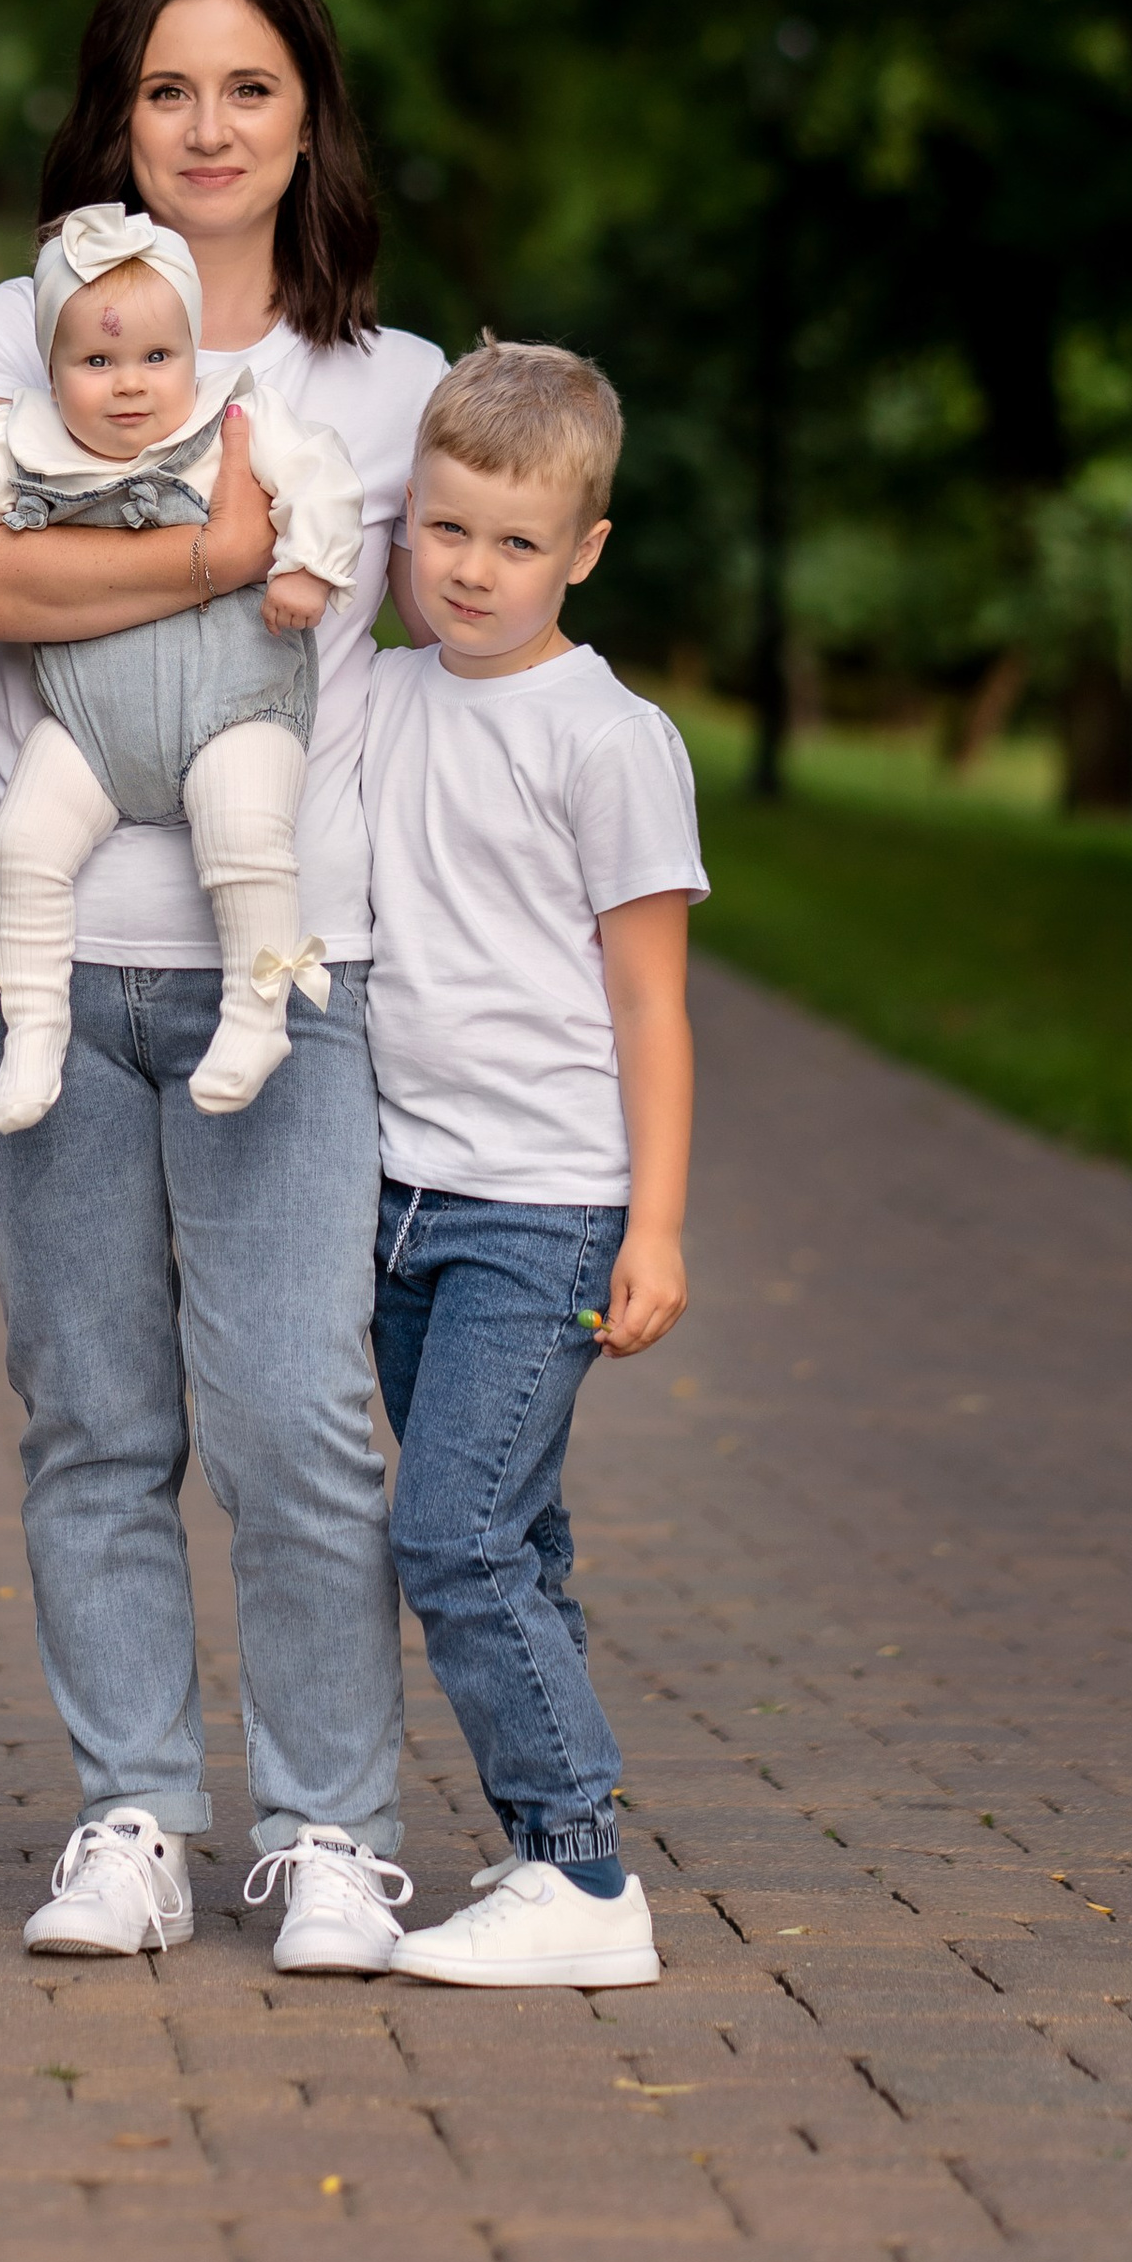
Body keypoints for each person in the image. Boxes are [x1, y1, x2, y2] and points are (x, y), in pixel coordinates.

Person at [0, 0, 444, 1975]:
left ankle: (325, 1831)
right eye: (164, 90)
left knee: (299, 1412)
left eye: (246, 88)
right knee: (96, 1423)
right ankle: (129, 1813)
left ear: (305, 111)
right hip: (21, 952)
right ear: (108, 117)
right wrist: (221, 554)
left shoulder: (381, 386)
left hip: (280, 969)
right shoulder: (9, 322)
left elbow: (467, 640)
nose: (205, 129)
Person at [360, 337, 705, 1990]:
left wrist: (655, 1229)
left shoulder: (608, 737)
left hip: (544, 1210)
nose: (474, 571)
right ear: (403, 526)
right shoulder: (379, 694)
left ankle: (581, 1873)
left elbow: (651, 1006)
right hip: (394, 1201)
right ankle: (539, 1857)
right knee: (517, 1533)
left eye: (515, 541)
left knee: (453, 1538)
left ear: (583, 551)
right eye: (445, 531)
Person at [0, 200, 364, 1129]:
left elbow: (324, 478)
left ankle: (257, 1015)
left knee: (246, 834)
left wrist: (308, 567)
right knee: (23, 845)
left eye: (156, 359)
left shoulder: (237, 413)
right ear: (52, 369)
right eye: (97, 362)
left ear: (193, 352)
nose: (130, 385)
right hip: (94, 726)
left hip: (235, 703)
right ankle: (36, 1036)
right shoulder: (22, 440)